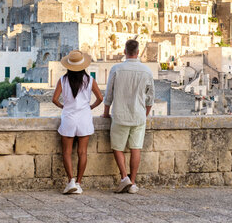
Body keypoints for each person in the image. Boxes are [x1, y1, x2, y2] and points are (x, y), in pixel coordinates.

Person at [102, 39, 155, 194]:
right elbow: (150, 98)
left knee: (117, 148)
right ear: (138, 53)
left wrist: (106, 113)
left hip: (120, 114)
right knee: (136, 148)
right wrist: (145, 114)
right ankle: (132, 183)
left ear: (124, 52)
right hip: (139, 115)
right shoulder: (147, 71)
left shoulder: (116, 69)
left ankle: (124, 177)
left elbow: (109, 94)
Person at [52, 50, 103, 194]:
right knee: (82, 152)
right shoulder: (90, 80)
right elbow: (100, 98)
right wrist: (90, 107)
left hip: (68, 117)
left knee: (67, 152)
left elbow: (54, 99)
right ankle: (79, 183)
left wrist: (64, 107)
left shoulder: (62, 80)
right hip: (84, 118)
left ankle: (71, 181)